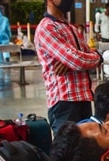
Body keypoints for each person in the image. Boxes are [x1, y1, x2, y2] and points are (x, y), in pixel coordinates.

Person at [34, 0, 102, 135]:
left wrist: (92, 57)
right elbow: (77, 61)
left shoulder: (71, 28)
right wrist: (97, 58)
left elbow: (84, 55)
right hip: (64, 103)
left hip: (83, 98)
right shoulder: (47, 28)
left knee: (85, 150)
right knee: (68, 151)